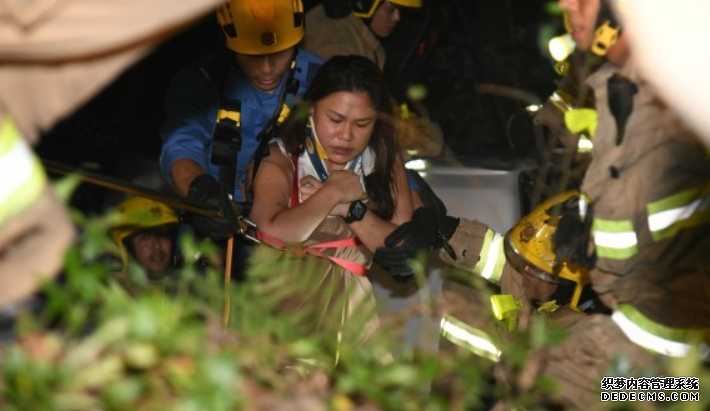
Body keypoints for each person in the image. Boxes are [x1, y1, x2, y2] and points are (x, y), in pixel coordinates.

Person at [0, 0, 223, 344]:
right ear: (122, 244)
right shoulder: (106, 291)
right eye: (145, 236)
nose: (156, 247)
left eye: (159, 234)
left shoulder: (187, 296)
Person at [248, 55, 413, 350]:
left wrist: (347, 209)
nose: (346, 135)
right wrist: (332, 192)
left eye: (362, 124)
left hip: (356, 319)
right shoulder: (281, 157)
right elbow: (270, 230)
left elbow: (403, 249)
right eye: (335, 120)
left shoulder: (383, 160)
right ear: (311, 110)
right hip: (291, 320)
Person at [159, 0, 322, 255]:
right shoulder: (199, 83)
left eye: (279, 53)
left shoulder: (321, 80)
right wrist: (200, 190)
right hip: (214, 221)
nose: (267, 68)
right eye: (253, 55)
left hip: (292, 229)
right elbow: (180, 146)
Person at [109, 197, 180, 281]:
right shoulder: (108, 289)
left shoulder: (188, 287)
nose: (157, 245)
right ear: (127, 247)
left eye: (162, 234)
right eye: (145, 237)